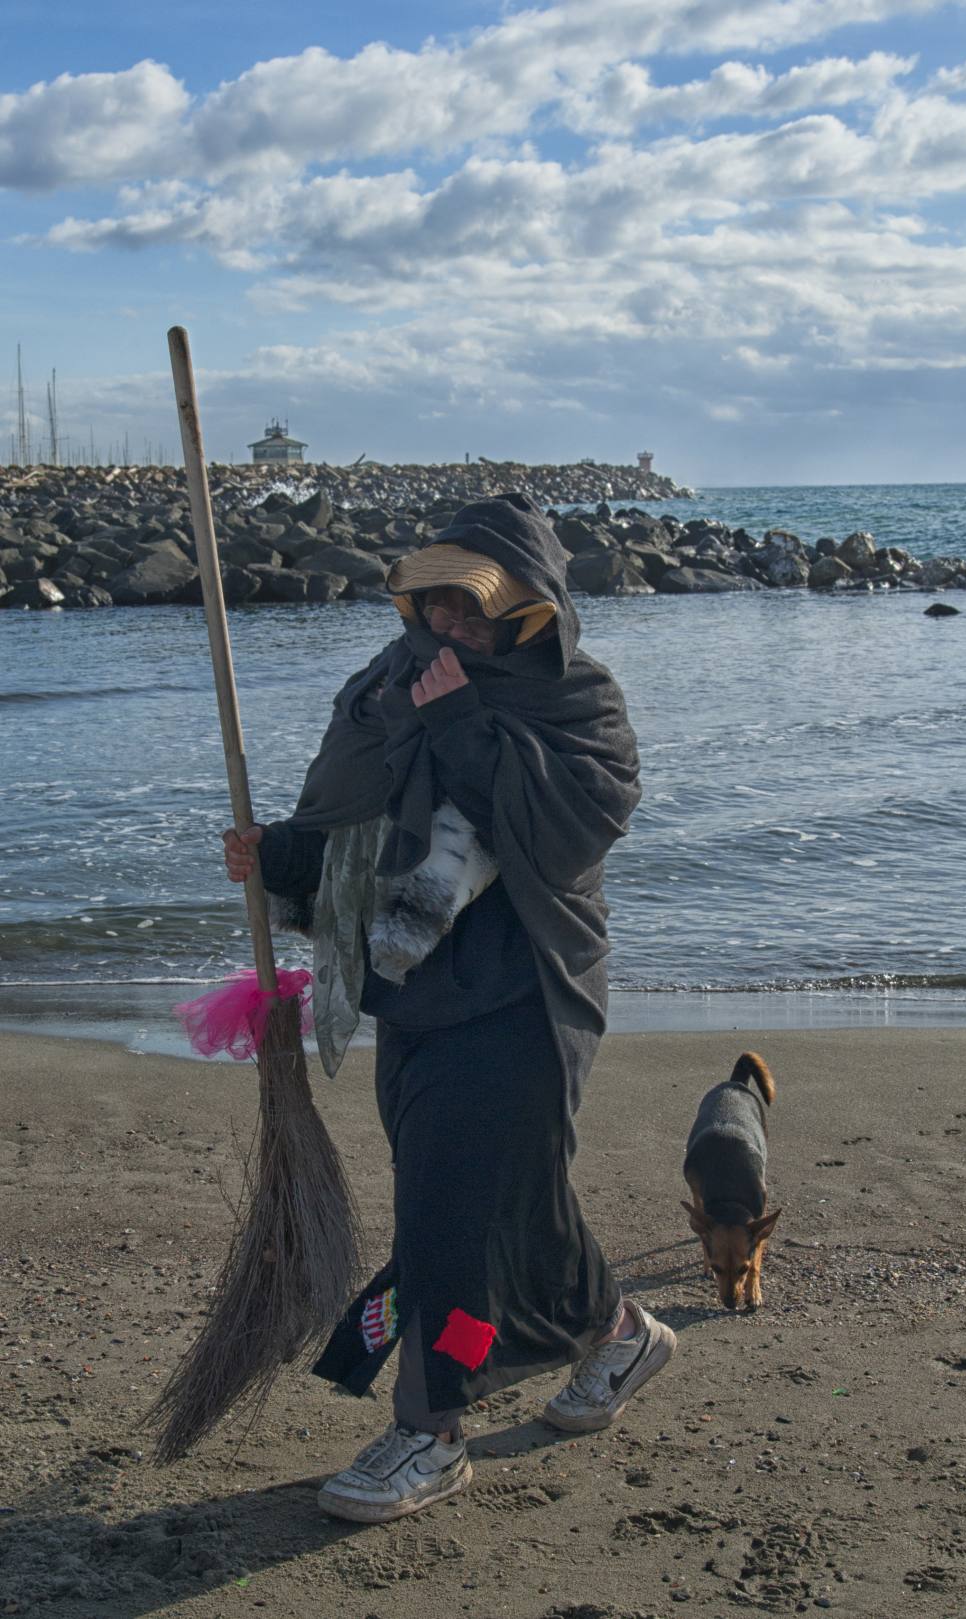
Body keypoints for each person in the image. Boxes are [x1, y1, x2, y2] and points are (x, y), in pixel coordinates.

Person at [223, 492, 675, 1524]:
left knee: (449, 1208)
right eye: (433, 604)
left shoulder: (579, 701)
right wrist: (280, 857)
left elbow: (565, 831)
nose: (447, 625)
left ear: (531, 608)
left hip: (527, 986)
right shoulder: (390, 681)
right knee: (503, 1196)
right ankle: (619, 1333)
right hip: (415, 980)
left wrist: (462, 720)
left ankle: (429, 1427)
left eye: (470, 608)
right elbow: (351, 822)